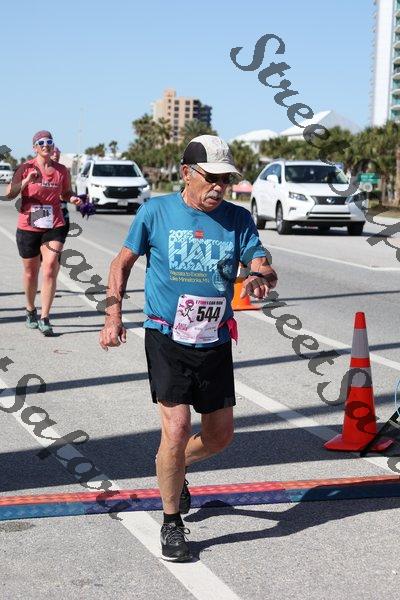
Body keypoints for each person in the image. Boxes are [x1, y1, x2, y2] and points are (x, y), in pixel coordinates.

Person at [99, 135, 278, 561]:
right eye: (211, 177)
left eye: (226, 180)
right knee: (177, 428)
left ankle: (174, 466)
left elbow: (262, 264)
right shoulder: (155, 212)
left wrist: (260, 276)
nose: (219, 187)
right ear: (186, 173)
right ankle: (171, 522)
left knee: (219, 437)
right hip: (166, 336)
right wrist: (112, 316)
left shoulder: (237, 219)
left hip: (214, 339)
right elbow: (120, 263)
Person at [5, 130, 82, 336]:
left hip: (54, 224)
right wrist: (26, 181)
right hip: (28, 226)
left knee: (49, 268)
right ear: (35, 147)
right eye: (41, 142)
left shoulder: (61, 170)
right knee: (31, 272)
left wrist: (72, 198)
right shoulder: (25, 168)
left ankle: (45, 317)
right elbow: (9, 193)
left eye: (49, 142)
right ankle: (30, 309)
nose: (46, 145)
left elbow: (66, 192)